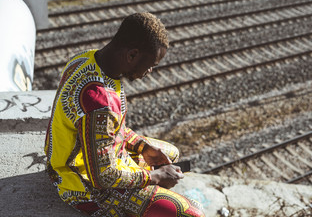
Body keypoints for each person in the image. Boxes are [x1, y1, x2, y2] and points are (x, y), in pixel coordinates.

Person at [44, 12, 205, 217]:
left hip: (69, 159)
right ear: (132, 55)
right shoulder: (99, 104)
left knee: (169, 153)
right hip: (83, 185)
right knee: (192, 213)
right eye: (151, 65)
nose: (150, 71)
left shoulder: (83, 59)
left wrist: (143, 146)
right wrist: (154, 176)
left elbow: (111, 129)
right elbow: (104, 178)